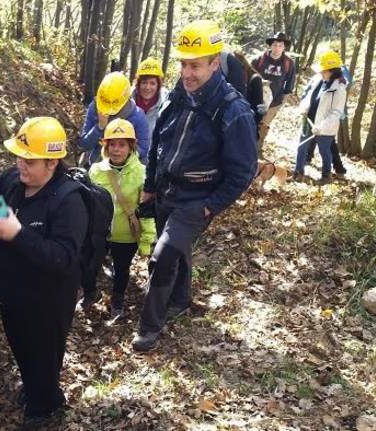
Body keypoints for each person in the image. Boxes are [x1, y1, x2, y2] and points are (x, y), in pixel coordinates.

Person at [132, 20, 258, 351]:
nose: (187, 73)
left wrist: (209, 205)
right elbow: (159, 141)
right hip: (166, 191)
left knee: (163, 255)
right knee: (175, 247)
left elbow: (243, 171)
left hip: (197, 198)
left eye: (196, 65)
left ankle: (149, 326)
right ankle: (181, 299)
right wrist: (149, 186)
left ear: (215, 63)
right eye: (183, 64)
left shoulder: (233, 111)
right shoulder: (176, 96)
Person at [0, 117, 88, 428]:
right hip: (11, 294)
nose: (21, 165)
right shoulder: (12, 181)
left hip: (47, 299)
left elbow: (63, 257)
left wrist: (18, 234)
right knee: (21, 345)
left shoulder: (68, 200)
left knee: (44, 352)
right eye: (19, 156)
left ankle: (45, 404)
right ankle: (36, 389)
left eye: (30, 160)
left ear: (52, 163)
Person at [89, 119, 156, 320]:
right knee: (92, 263)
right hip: (100, 233)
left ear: (131, 147)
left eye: (122, 145)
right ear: (106, 146)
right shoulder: (96, 171)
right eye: (112, 144)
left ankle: (118, 299)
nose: (116, 150)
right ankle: (90, 293)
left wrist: (146, 242)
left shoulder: (141, 173)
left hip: (125, 235)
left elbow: (146, 210)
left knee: (121, 269)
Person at [293, 50, 347, 185]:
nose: (321, 73)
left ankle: (326, 176)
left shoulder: (339, 89)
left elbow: (336, 112)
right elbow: (309, 97)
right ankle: (298, 173)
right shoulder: (318, 80)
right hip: (309, 121)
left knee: (325, 152)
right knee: (301, 148)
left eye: (324, 71)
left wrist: (321, 126)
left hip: (324, 127)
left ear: (333, 70)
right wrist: (304, 109)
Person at [80, 72, 149, 166]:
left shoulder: (137, 116)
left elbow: (143, 151)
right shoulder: (95, 107)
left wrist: (122, 148)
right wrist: (100, 127)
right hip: (97, 168)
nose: (109, 110)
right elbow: (84, 144)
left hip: (125, 172)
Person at [252, 31, 296, 149]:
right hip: (256, 98)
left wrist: (283, 100)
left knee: (263, 126)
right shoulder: (259, 59)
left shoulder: (288, 63)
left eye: (280, 46)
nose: (277, 48)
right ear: (271, 45)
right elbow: (248, 75)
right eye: (275, 45)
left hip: (274, 101)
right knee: (252, 122)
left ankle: (257, 149)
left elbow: (290, 83)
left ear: (284, 47)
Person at [132, 57, 169, 144]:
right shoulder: (127, 100)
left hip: (152, 154)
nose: (147, 88)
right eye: (144, 82)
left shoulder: (166, 103)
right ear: (138, 84)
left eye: (152, 83)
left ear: (158, 85)